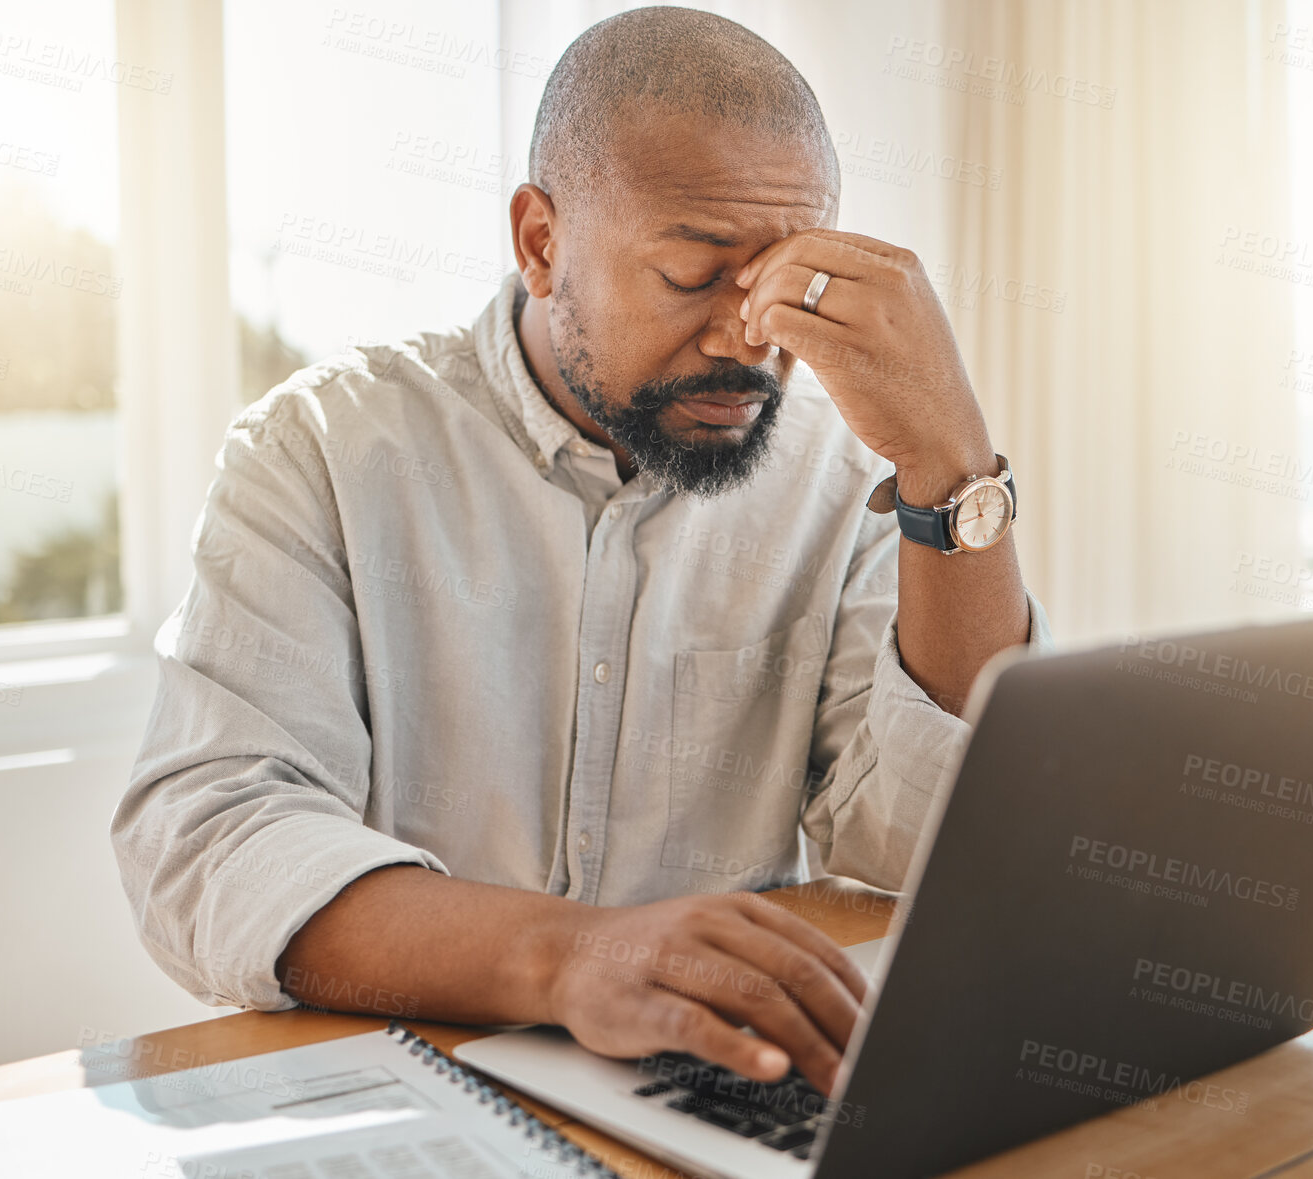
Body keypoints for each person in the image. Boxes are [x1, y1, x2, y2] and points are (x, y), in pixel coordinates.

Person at [112, 5, 1052, 1098]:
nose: (746, 337)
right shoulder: (322, 448)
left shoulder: (844, 482)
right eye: (695, 272)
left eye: (782, 281)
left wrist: (952, 473)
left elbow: (943, 846)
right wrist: (567, 959)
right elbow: (210, 847)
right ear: (541, 243)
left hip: (713, 1084)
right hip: (400, 1083)